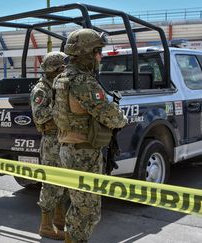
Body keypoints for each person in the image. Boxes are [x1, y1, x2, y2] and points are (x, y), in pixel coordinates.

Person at [52, 29, 127, 242]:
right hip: (83, 153)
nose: (100, 57)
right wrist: (122, 119)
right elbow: (108, 115)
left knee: (80, 205)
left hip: (68, 148)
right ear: (85, 53)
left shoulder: (62, 78)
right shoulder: (83, 82)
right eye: (97, 52)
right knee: (88, 210)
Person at [30, 51, 68, 240]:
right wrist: (61, 107)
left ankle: (59, 220)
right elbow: (39, 116)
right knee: (51, 183)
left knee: (63, 182)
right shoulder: (41, 89)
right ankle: (46, 226)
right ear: (55, 69)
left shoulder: (56, 86)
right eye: (62, 68)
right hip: (51, 141)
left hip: (62, 139)